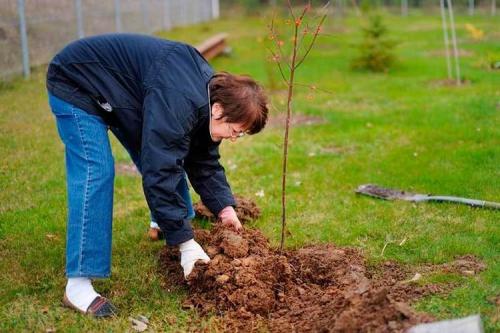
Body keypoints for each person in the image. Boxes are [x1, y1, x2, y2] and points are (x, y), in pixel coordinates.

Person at [46, 33, 268, 317]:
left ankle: (168, 224)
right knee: (96, 171)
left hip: (124, 92)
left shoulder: (208, 98)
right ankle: (77, 284)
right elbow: (160, 168)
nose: (234, 138)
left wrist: (225, 208)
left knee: (168, 149)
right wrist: (186, 244)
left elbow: (203, 160)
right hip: (77, 80)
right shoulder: (182, 100)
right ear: (219, 109)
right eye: (235, 131)